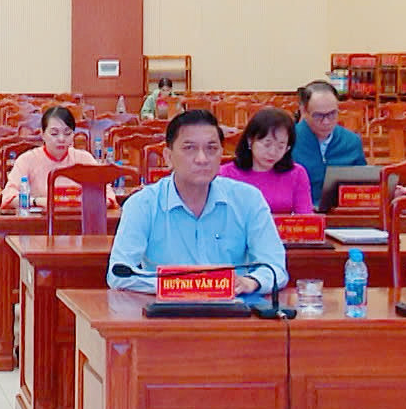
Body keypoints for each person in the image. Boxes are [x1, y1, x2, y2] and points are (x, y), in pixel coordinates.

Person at [106, 110, 287, 299]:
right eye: (189, 148)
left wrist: (251, 282)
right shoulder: (142, 204)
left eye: (211, 149)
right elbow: (119, 274)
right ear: (168, 157)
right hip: (166, 310)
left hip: (234, 307)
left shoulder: (248, 199)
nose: (202, 159)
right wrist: (184, 285)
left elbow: (275, 267)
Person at [216, 108, 313, 216]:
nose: (272, 152)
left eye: (280, 147)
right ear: (250, 141)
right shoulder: (226, 174)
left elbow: (306, 218)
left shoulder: (297, 174)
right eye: (267, 144)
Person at [0, 105, 99, 208]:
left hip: (78, 217)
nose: (61, 139)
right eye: (54, 134)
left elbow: (107, 194)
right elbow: (8, 197)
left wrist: (87, 201)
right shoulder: (27, 160)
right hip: (40, 217)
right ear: (43, 134)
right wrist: (37, 201)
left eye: (67, 133)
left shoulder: (84, 159)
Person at [291, 81, 367, 209]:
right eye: (318, 115)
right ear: (303, 111)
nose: (326, 122)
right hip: (301, 212)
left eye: (332, 114)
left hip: (342, 212)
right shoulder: (289, 140)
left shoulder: (352, 141)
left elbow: (364, 184)